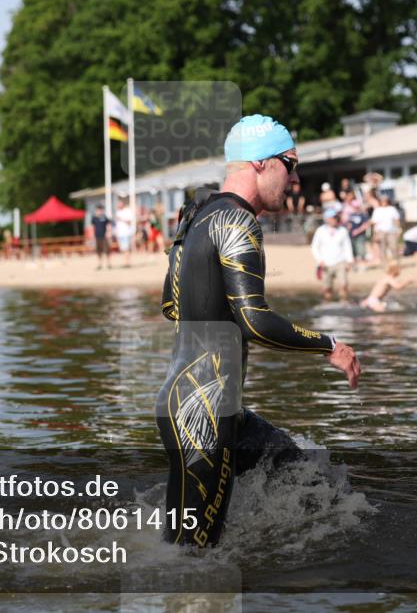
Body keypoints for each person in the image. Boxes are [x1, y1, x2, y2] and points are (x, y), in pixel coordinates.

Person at [157, 114, 360, 548]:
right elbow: (254, 321)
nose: (295, 178)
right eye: (291, 164)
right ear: (262, 163)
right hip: (205, 414)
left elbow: (171, 304)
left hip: (201, 403)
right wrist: (329, 345)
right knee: (191, 558)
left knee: (308, 476)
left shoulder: (197, 214)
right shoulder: (237, 222)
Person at [310, 207, 354, 301]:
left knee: (344, 285)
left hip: (340, 262)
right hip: (325, 263)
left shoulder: (343, 230)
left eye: (336, 217)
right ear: (327, 219)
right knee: (327, 288)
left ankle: (344, 304)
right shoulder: (320, 231)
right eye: (333, 217)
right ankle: (327, 305)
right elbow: (314, 247)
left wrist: (350, 261)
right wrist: (319, 260)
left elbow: (347, 246)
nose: (335, 219)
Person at [370, 194, 401, 263]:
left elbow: (397, 220)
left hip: (391, 231)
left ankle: (396, 262)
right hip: (381, 231)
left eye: (385, 201)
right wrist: (375, 232)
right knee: (382, 248)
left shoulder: (392, 209)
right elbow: (374, 222)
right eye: (382, 201)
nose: (384, 202)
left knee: (394, 247)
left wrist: (398, 229)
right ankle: (384, 264)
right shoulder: (377, 210)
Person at [90, 205, 112, 270]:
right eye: (98, 210)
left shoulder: (105, 217)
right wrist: (92, 235)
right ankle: (100, 264)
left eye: (100, 210)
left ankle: (108, 263)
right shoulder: (94, 218)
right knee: (98, 251)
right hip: (97, 236)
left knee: (107, 250)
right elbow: (92, 227)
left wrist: (109, 232)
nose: (99, 212)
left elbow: (109, 225)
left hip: (104, 236)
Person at [114, 198, 134, 266]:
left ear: (123, 203)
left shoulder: (127, 211)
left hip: (126, 233)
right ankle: (126, 261)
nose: (118, 205)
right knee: (123, 248)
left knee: (126, 248)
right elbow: (117, 225)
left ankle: (127, 262)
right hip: (120, 233)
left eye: (119, 203)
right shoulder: (117, 212)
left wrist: (121, 219)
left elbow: (129, 222)